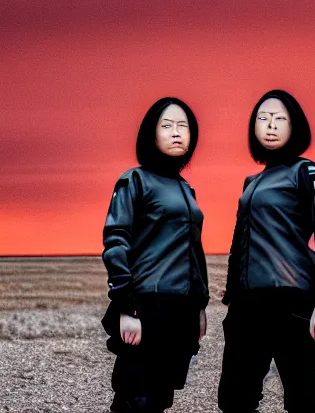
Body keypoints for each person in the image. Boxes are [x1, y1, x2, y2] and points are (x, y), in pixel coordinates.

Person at [218, 89, 315, 413]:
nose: (270, 126)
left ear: (294, 126)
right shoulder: (250, 183)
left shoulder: (307, 172)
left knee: (301, 399)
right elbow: (238, 242)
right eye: (263, 119)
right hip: (247, 307)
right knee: (234, 400)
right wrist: (231, 298)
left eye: (279, 119)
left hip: (292, 304)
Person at [101, 97, 209, 413]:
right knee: (134, 398)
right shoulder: (134, 180)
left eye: (183, 127)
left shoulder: (186, 190)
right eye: (167, 126)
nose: (176, 133)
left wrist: (200, 305)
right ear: (152, 133)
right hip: (147, 305)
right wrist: (127, 308)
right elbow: (116, 241)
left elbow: (194, 250)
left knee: (161, 398)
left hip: (182, 309)